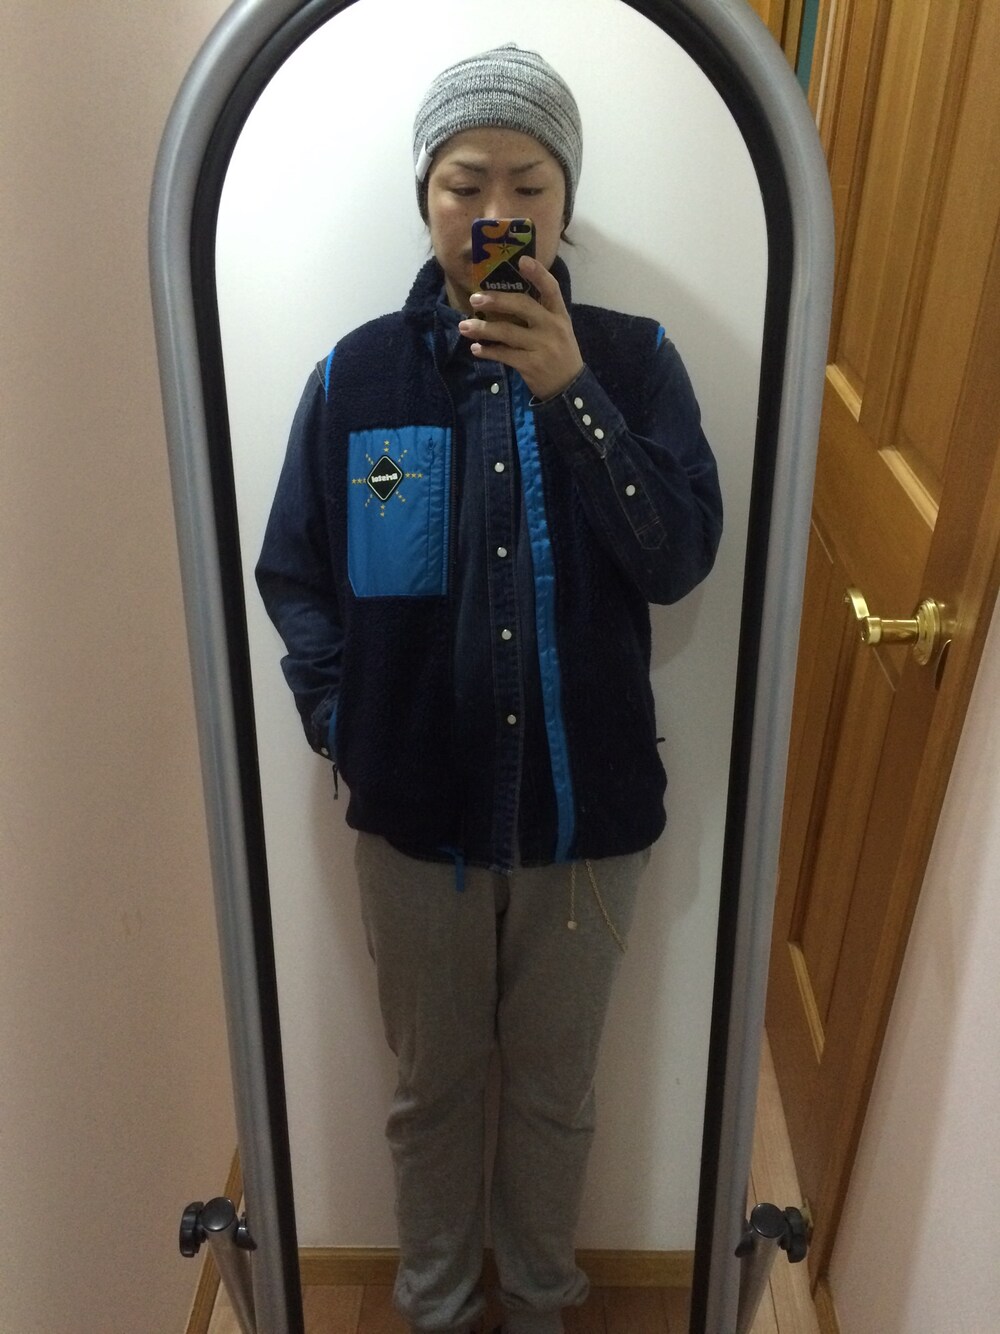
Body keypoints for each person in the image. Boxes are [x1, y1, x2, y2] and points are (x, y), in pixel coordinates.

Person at [256, 43, 723, 1334]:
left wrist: (570, 393)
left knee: (557, 1097)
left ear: (566, 203)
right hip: (418, 824)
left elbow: (678, 558)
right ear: (426, 197)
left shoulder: (635, 361)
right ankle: (439, 1309)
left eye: (529, 182)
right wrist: (346, 724)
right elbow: (296, 571)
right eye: (466, 182)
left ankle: (544, 1303)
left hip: (587, 822)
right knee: (433, 1095)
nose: (496, 209)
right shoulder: (358, 377)